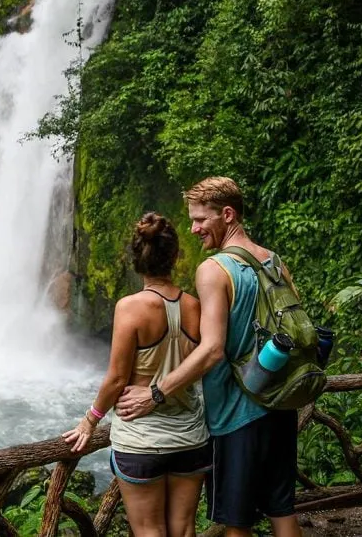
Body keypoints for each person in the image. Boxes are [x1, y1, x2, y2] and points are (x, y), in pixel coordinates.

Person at [116, 177, 303, 537]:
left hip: (237, 415)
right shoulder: (274, 262)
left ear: (227, 214)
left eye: (201, 219)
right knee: (283, 512)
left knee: (237, 523)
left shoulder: (214, 269)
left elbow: (213, 348)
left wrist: (155, 392)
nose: (194, 228)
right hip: (278, 403)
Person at [63, 212, 210, 537]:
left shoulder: (130, 308)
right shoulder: (195, 307)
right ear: (175, 256)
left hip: (142, 441)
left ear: (135, 259)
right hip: (190, 437)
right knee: (184, 530)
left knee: (148, 532)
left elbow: (117, 378)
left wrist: (91, 419)